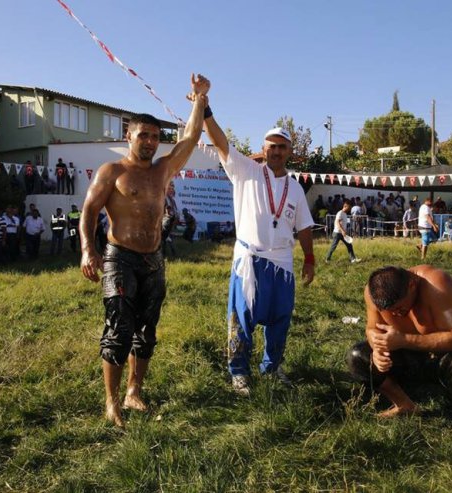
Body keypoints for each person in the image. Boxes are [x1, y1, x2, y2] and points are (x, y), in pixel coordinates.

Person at [79, 73, 209, 427]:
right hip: (119, 257)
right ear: (129, 136)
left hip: (154, 259)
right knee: (119, 329)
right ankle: (111, 402)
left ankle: (134, 391)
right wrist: (87, 250)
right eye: (144, 135)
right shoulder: (112, 171)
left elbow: (193, 137)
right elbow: (89, 211)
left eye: (155, 136)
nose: (151, 141)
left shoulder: (163, 170)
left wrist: (199, 99)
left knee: (147, 330)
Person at [202, 100, 316, 397]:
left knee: (281, 317)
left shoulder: (295, 188)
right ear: (263, 149)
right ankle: (239, 372)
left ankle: (272, 366)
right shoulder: (246, 171)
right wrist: (205, 109)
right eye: (271, 146)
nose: (276, 151)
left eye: (282, 146)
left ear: (290, 151)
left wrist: (310, 259)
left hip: (282, 262)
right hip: (250, 259)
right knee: (242, 317)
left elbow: (303, 226)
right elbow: (221, 142)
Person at [346, 266, 452, 451]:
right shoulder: (372, 292)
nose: (395, 315)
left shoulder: (437, 284)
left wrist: (404, 340)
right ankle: (404, 404)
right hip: (405, 356)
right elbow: (372, 329)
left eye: (399, 308)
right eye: (389, 311)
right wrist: (377, 349)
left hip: (441, 357)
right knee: (357, 356)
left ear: (412, 284)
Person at [325, 199, 361, 264]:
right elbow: (337, 222)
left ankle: (353, 259)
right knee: (333, 246)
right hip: (337, 233)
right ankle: (327, 259)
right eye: (349, 207)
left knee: (349, 245)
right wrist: (342, 231)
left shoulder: (344, 214)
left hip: (342, 233)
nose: (350, 209)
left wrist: (345, 231)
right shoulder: (340, 213)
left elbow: (342, 224)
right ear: (345, 206)